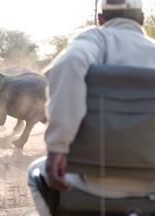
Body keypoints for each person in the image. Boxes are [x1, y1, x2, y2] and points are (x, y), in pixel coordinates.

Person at [27, 0, 155, 215]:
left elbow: (69, 63)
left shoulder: (95, 39)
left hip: (93, 182)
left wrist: (58, 147)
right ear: (141, 21)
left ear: (101, 20)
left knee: (34, 172)